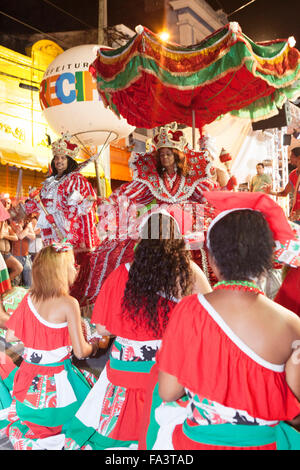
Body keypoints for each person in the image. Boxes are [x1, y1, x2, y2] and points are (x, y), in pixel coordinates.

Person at [145, 191, 300, 450]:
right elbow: (295, 408)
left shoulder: (189, 310)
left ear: (213, 259)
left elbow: (168, 392)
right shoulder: (291, 324)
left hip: (199, 443)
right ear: (267, 259)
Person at [63, 209, 212, 450]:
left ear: (142, 242)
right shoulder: (189, 273)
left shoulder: (121, 273)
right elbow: (210, 316)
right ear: (177, 241)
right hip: (170, 370)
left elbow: (102, 328)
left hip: (126, 371)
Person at [1, 243, 100, 450]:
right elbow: (81, 351)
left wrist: (38, 338)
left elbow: (10, 336)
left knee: (38, 422)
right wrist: (96, 345)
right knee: (79, 417)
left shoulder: (29, 298)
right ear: (61, 271)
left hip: (29, 377)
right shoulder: (68, 303)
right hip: (57, 378)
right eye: (72, 264)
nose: (75, 268)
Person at [25, 133, 100, 251]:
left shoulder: (76, 180)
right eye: (56, 157)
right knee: (50, 258)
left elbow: (79, 208)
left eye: (63, 158)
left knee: (63, 261)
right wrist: (32, 200)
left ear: (69, 160)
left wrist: (60, 218)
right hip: (48, 227)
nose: (59, 161)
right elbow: (40, 204)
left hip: (65, 230)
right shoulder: (49, 182)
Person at [265, 147, 300, 223]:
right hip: (295, 216)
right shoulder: (293, 174)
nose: (290, 158)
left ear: (298, 158)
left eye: (292, 156)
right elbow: (284, 193)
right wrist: (270, 192)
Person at [0, 196, 23, 284]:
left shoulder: (7, 223)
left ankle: (5, 285)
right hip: (0, 254)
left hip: (7, 254)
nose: (7, 205)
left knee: (19, 267)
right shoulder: (3, 223)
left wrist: (5, 235)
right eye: (5, 202)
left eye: (9, 203)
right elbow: (0, 235)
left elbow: (15, 237)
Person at [10, 215, 36, 288]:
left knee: (29, 281)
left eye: (22, 220)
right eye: (19, 220)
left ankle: (27, 296)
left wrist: (26, 230)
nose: (21, 221)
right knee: (16, 282)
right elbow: (20, 236)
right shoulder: (13, 225)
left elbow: (33, 236)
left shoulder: (27, 226)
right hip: (16, 256)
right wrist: (27, 230)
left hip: (26, 256)